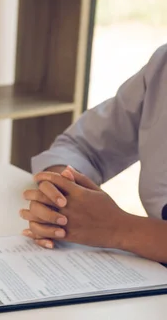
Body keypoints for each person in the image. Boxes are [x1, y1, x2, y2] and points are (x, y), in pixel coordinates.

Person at [19, 43, 167, 263]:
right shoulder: (162, 68)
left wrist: (119, 229)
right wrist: (63, 194)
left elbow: (116, 228)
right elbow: (81, 147)